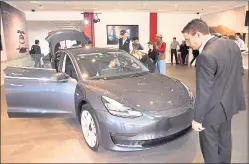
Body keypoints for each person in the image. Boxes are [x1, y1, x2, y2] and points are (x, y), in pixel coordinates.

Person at [182, 19, 246, 163]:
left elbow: (204, 91)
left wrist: (197, 119)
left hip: (210, 112)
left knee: (210, 148)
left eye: (188, 39)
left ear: (197, 34)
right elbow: (239, 73)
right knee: (225, 143)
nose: (187, 43)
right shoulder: (231, 45)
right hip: (229, 106)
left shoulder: (204, 56)